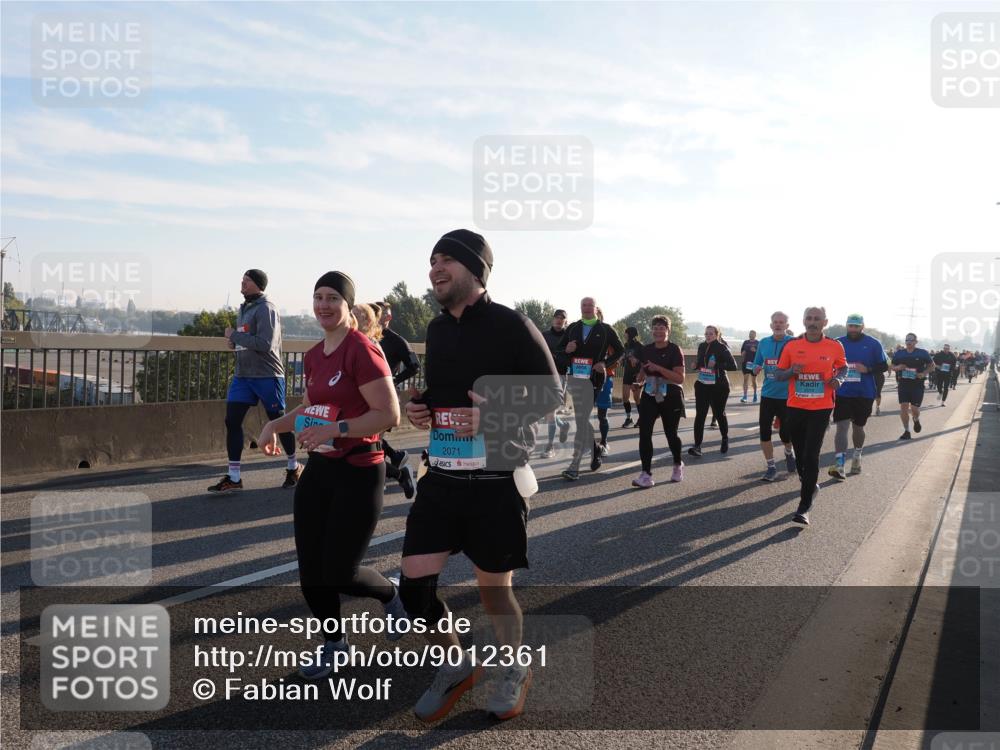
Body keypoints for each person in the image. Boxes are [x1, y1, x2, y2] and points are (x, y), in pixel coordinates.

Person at [401, 229, 561, 722]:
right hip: (443, 476)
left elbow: (551, 395)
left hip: (496, 480)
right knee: (413, 588)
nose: (435, 268)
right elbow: (448, 388)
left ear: (476, 270)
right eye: (432, 260)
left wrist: (493, 418)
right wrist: (422, 406)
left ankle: (513, 669)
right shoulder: (438, 328)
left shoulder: (511, 324)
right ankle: (454, 666)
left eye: (447, 259)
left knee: (494, 589)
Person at [256, 271, 409, 679]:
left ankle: (392, 594)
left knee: (340, 572)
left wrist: (337, 430)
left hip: (361, 469)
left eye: (332, 299)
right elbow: (311, 410)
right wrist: (275, 425)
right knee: (310, 570)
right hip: (321, 468)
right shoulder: (312, 356)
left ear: (347, 306)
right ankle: (334, 645)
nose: (324, 305)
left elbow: (387, 415)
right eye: (318, 297)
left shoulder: (362, 350)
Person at [209, 269, 300, 493]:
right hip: (243, 375)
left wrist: (234, 336)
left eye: (247, 280)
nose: (242, 283)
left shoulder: (266, 308)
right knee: (232, 421)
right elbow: (246, 340)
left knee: (279, 421)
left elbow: (265, 343)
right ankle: (234, 476)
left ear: (258, 284)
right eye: (242, 279)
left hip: (268, 375)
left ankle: (293, 466)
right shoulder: (244, 309)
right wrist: (234, 344)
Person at [773, 306, 848, 525]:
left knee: (811, 454)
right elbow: (778, 375)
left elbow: (843, 369)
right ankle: (810, 485)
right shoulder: (792, 345)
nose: (812, 322)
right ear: (803, 321)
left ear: (825, 322)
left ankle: (804, 507)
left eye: (817, 319)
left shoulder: (834, 346)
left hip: (821, 408)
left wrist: (839, 380)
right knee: (799, 453)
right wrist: (790, 372)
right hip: (796, 406)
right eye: (809, 318)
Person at [558, 297, 624, 480]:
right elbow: (559, 351)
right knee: (581, 419)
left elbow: (620, 351)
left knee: (581, 419)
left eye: (590, 306)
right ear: (580, 308)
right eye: (583, 306)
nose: (586, 308)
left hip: (594, 379)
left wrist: (605, 362)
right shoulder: (572, 328)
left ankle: (574, 465)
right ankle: (595, 449)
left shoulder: (605, 329)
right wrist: (567, 350)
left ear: (596, 309)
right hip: (575, 379)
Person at [827, 314, 888, 480]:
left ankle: (857, 455)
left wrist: (867, 369)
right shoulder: (838, 343)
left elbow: (883, 365)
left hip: (864, 392)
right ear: (846, 326)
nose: (853, 329)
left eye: (856, 326)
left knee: (858, 427)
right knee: (842, 427)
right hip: (843, 392)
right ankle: (839, 464)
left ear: (862, 326)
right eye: (850, 326)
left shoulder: (873, 343)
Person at [370, 300, 420, 498]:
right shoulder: (366, 336)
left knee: (373, 440)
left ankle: (387, 475)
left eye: (381, 314)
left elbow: (415, 366)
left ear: (388, 318)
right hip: (365, 395)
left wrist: (395, 379)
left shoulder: (396, 341)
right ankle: (395, 459)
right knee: (370, 439)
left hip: (386, 396)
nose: (377, 317)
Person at [631, 315, 686, 487]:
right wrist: (639, 382)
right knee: (644, 433)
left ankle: (677, 463)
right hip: (650, 393)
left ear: (668, 331)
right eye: (655, 328)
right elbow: (643, 370)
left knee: (671, 434)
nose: (658, 331)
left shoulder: (675, 350)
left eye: (662, 328)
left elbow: (679, 378)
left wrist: (659, 369)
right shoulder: (646, 350)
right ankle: (646, 475)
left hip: (671, 394)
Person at [751, 311, 796, 481]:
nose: (778, 325)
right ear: (771, 325)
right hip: (768, 395)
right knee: (764, 432)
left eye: (781, 322)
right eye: (775, 322)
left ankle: (788, 452)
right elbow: (757, 362)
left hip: (787, 396)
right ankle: (771, 467)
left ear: (787, 326)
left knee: (786, 434)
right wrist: (755, 368)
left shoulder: (793, 343)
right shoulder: (763, 343)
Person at [688, 326, 737, 457]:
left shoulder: (722, 348)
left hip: (719, 385)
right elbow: (700, 363)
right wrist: (696, 366)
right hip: (703, 384)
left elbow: (733, 366)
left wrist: (717, 366)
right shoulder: (702, 346)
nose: (708, 336)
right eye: (706, 333)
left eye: (711, 334)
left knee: (719, 413)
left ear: (716, 335)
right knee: (700, 415)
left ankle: (725, 438)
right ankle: (697, 446)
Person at [539, 309, 572, 457]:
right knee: (547, 412)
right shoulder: (544, 335)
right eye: (557, 317)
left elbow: (570, 359)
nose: (559, 320)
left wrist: (556, 358)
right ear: (553, 319)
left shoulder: (569, 337)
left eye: (562, 318)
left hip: (560, 376)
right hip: (543, 376)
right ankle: (563, 425)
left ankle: (550, 447)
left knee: (550, 412)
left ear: (566, 321)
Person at [891, 333, 934, 440]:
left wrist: (924, 373)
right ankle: (906, 431)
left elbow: (931, 366)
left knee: (914, 409)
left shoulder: (922, 353)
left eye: (911, 340)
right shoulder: (899, 353)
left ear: (916, 342)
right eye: (907, 340)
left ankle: (916, 419)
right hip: (903, 384)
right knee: (904, 407)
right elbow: (891, 366)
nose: (909, 342)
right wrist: (898, 367)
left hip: (917, 384)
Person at [621, 326, 644, 427]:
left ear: (630, 334)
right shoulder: (626, 345)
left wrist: (637, 361)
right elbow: (625, 357)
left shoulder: (640, 346)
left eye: (626, 333)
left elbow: (644, 361)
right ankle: (629, 418)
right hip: (627, 373)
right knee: (625, 397)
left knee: (636, 398)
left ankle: (642, 418)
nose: (624, 334)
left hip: (637, 374)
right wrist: (622, 359)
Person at [740, 331, 760, 404]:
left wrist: (755, 351)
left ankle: (755, 395)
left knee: (753, 380)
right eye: (750, 334)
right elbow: (742, 352)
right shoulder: (745, 342)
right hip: (746, 363)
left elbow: (760, 353)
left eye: (752, 334)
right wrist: (743, 353)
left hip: (754, 363)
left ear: (755, 335)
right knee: (745, 379)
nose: (751, 335)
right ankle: (745, 396)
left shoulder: (758, 343)